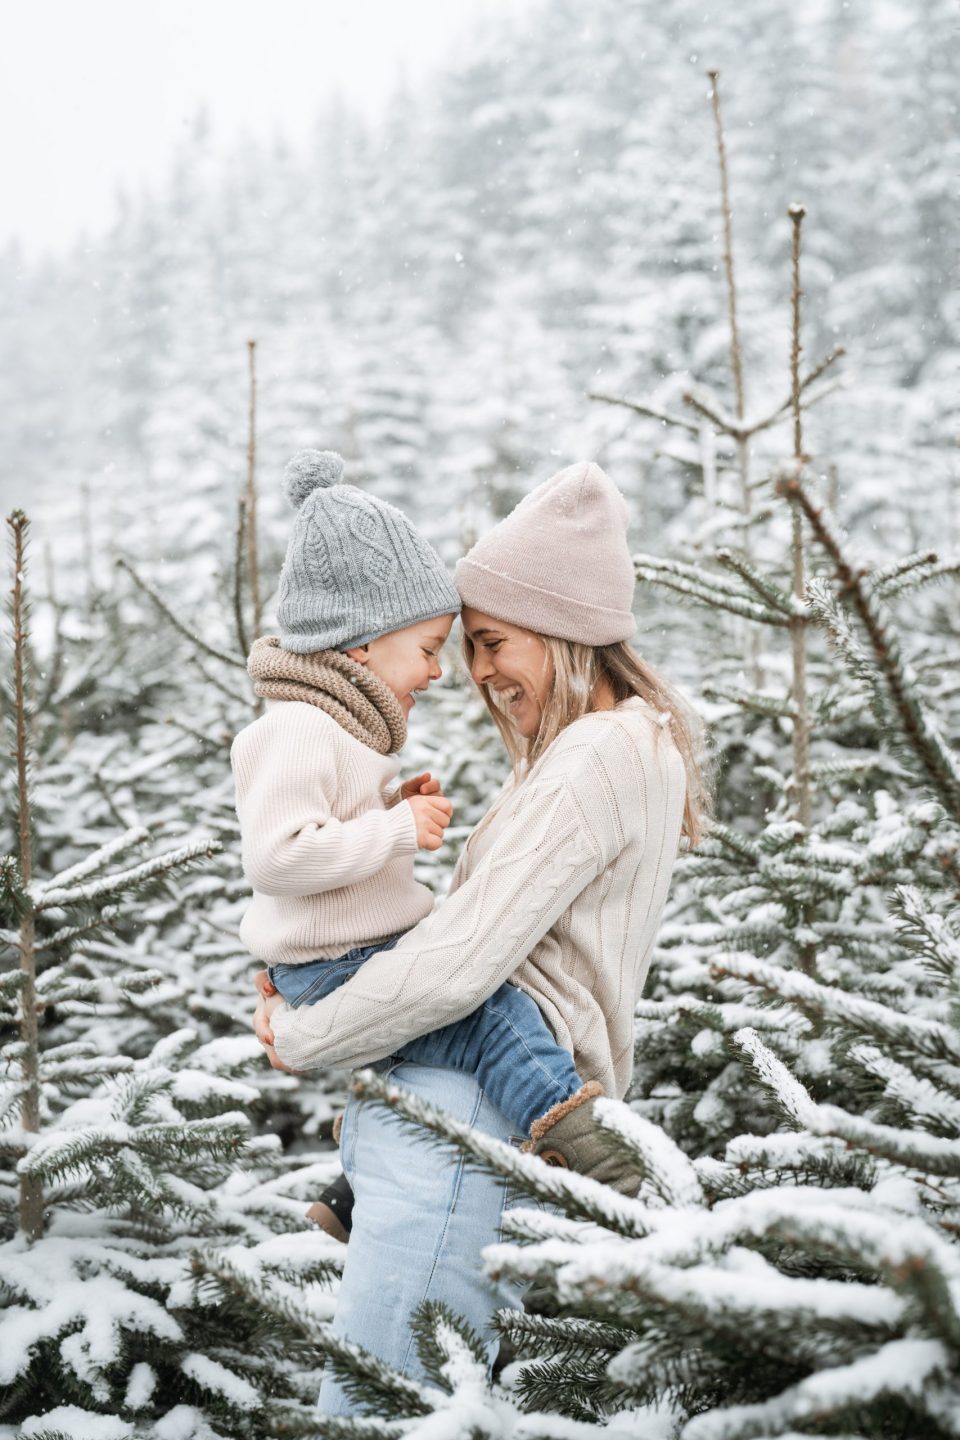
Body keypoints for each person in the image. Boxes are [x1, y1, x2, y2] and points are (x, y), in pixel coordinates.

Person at [253, 459, 708, 1416]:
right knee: (413, 1402)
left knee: (384, 1413)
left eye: (495, 642)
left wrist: (304, 1039)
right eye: (466, 647)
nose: (480, 673)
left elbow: (461, 964)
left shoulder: (600, 751)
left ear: (564, 631)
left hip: (465, 1128)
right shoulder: (613, 746)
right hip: (461, 1125)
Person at [233, 450, 650, 1242]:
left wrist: (389, 807)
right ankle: (585, 1153)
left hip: (361, 946)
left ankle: (348, 1197)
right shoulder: (291, 727)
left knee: (419, 1037)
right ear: (360, 645)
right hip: (339, 961)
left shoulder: (339, 727)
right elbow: (278, 856)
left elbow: (327, 832)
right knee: (492, 1017)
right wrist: (391, 831)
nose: (441, 672)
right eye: (428, 648)